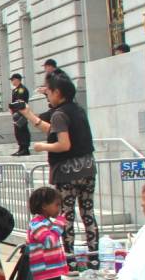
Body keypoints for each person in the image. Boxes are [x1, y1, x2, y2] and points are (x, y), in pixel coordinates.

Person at [19, 71, 99, 269]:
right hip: (87, 168)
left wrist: (42, 147)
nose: (47, 96)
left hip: (67, 172)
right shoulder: (77, 110)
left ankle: (70, 259)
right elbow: (53, 129)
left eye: (49, 92)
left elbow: (63, 144)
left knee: (66, 216)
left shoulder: (59, 114)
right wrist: (29, 115)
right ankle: (94, 256)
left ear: (58, 92)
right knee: (88, 212)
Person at [27, 187, 69, 280]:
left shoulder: (47, 222)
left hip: (54, 269)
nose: (59, 208)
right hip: (44, 270)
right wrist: (59, 225)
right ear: (44, 206)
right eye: (56, 205)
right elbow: (49, 242)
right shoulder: (37, 223)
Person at [9, 74, 30, 156]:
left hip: (22, 112)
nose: (12, 81)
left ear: (17, 80)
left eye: (13, 79)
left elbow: (20, 101)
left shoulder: (22, 89)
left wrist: (12, 106)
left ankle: (25, 148)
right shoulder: (15, 90)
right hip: (16, 113)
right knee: (17, 131)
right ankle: (21, 147)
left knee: (22, 130)